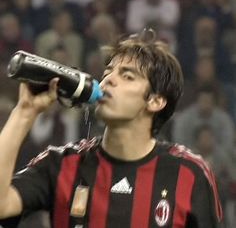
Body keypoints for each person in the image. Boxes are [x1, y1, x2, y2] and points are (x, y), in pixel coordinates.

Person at [0, 29, 223, 227]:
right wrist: (24, 113)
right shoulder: (62, 164)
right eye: (108, 72)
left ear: (155, 101)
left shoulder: (189, 173)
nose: (108, 80)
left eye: (127, 76)